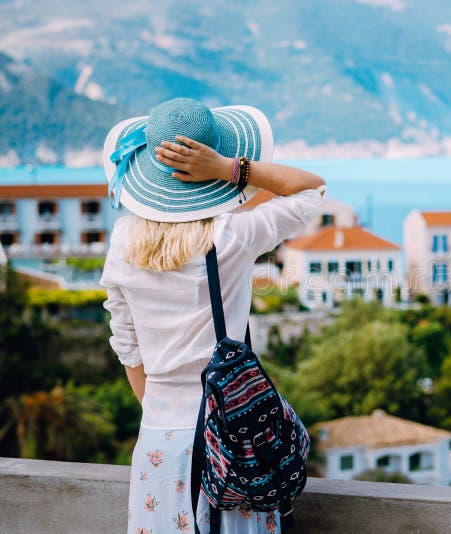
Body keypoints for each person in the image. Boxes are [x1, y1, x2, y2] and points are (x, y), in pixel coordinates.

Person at [100, 98, 326, 533]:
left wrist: (171, 420)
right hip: (233, 442)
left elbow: (128, 351)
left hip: (159, 446)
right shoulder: (231, 236)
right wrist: (228, 169)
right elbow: (310, 188)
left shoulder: (123, 241)